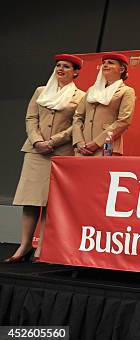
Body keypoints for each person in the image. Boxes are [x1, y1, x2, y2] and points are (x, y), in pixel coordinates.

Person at [5, 54, 85, 263]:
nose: (60, 69)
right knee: (30, 201)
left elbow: (76, 124)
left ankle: (42, 248)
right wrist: (37, 140)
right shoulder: (41, 91)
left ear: (75, 72)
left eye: (66, 67)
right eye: (58, 65)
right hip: (36, 151)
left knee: (51, 203)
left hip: (60, 153)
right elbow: (31, 118)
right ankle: (23, 247)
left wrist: (54, 141)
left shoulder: (80, 96)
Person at [73, 53, 135, 156]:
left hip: (107, 148)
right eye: (104, 63)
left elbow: (124, 121)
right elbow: (78, 117)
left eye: (110, 63)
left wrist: (97, 143)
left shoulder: (126, 91)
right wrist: (79, 141)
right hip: (83, 148)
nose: (105, 65)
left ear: (121, 69)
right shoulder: (91, 90)